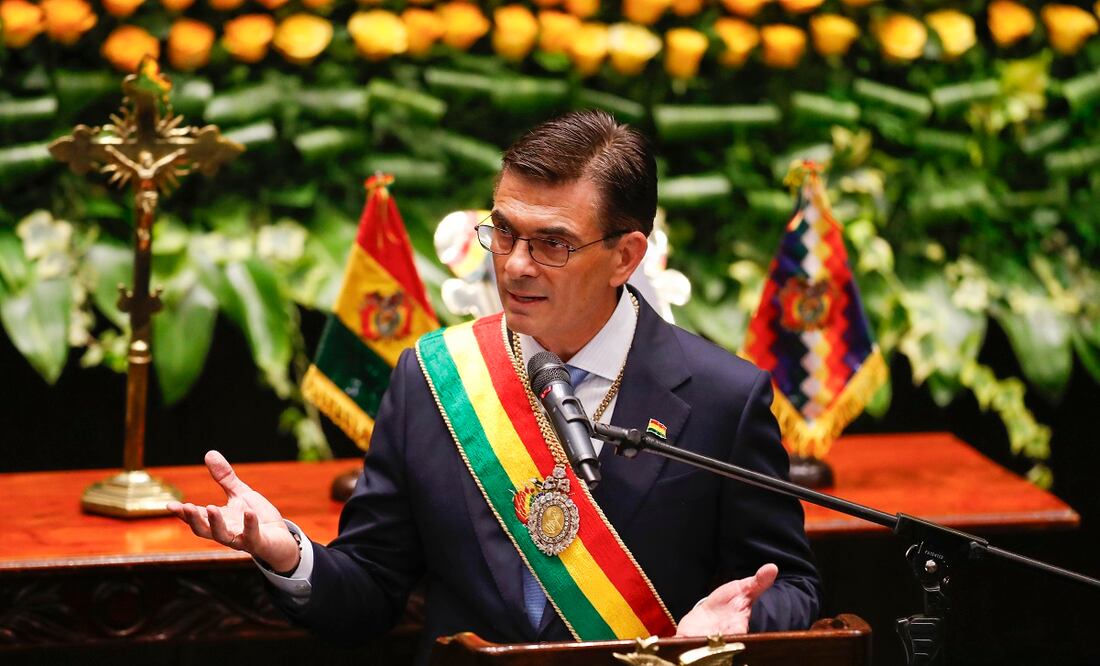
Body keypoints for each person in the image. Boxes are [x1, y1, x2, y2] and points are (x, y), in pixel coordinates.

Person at [169, 110, 821, 662]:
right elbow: (370, 590)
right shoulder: (433, 378)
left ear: (625, 256)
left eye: (552, 244)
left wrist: (735, 625)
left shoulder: (720, 397)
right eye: (503, 231)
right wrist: (287, 554)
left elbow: (789, 583)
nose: (513, 264)